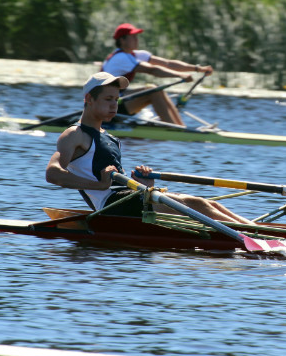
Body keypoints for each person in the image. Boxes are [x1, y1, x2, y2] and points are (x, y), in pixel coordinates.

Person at [45, 71, 250, 223]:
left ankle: (255, 229)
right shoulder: (75, 134)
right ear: (89, 99)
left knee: (206, 203)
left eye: (116, 99)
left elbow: (117, 181)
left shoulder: (111, 138)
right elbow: (52, 173)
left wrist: (142, 184)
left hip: (127, 199)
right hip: (111, 205)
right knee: (199, 205)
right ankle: (252, 234)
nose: (114, 105)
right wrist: (100, 185)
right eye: (108, 99)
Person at [101, 23, 213, 127]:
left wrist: (198, 69)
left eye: (137, 36)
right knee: (153, 91)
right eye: (133, 37)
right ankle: (173, 129)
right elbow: (152, 70)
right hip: (105, 106)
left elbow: (168, 63)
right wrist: (181, 75)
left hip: (115, 101)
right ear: (122, 40)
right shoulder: (120, 57)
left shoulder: (136, 55)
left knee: (157, 90)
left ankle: (179, 127)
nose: (137, 39)